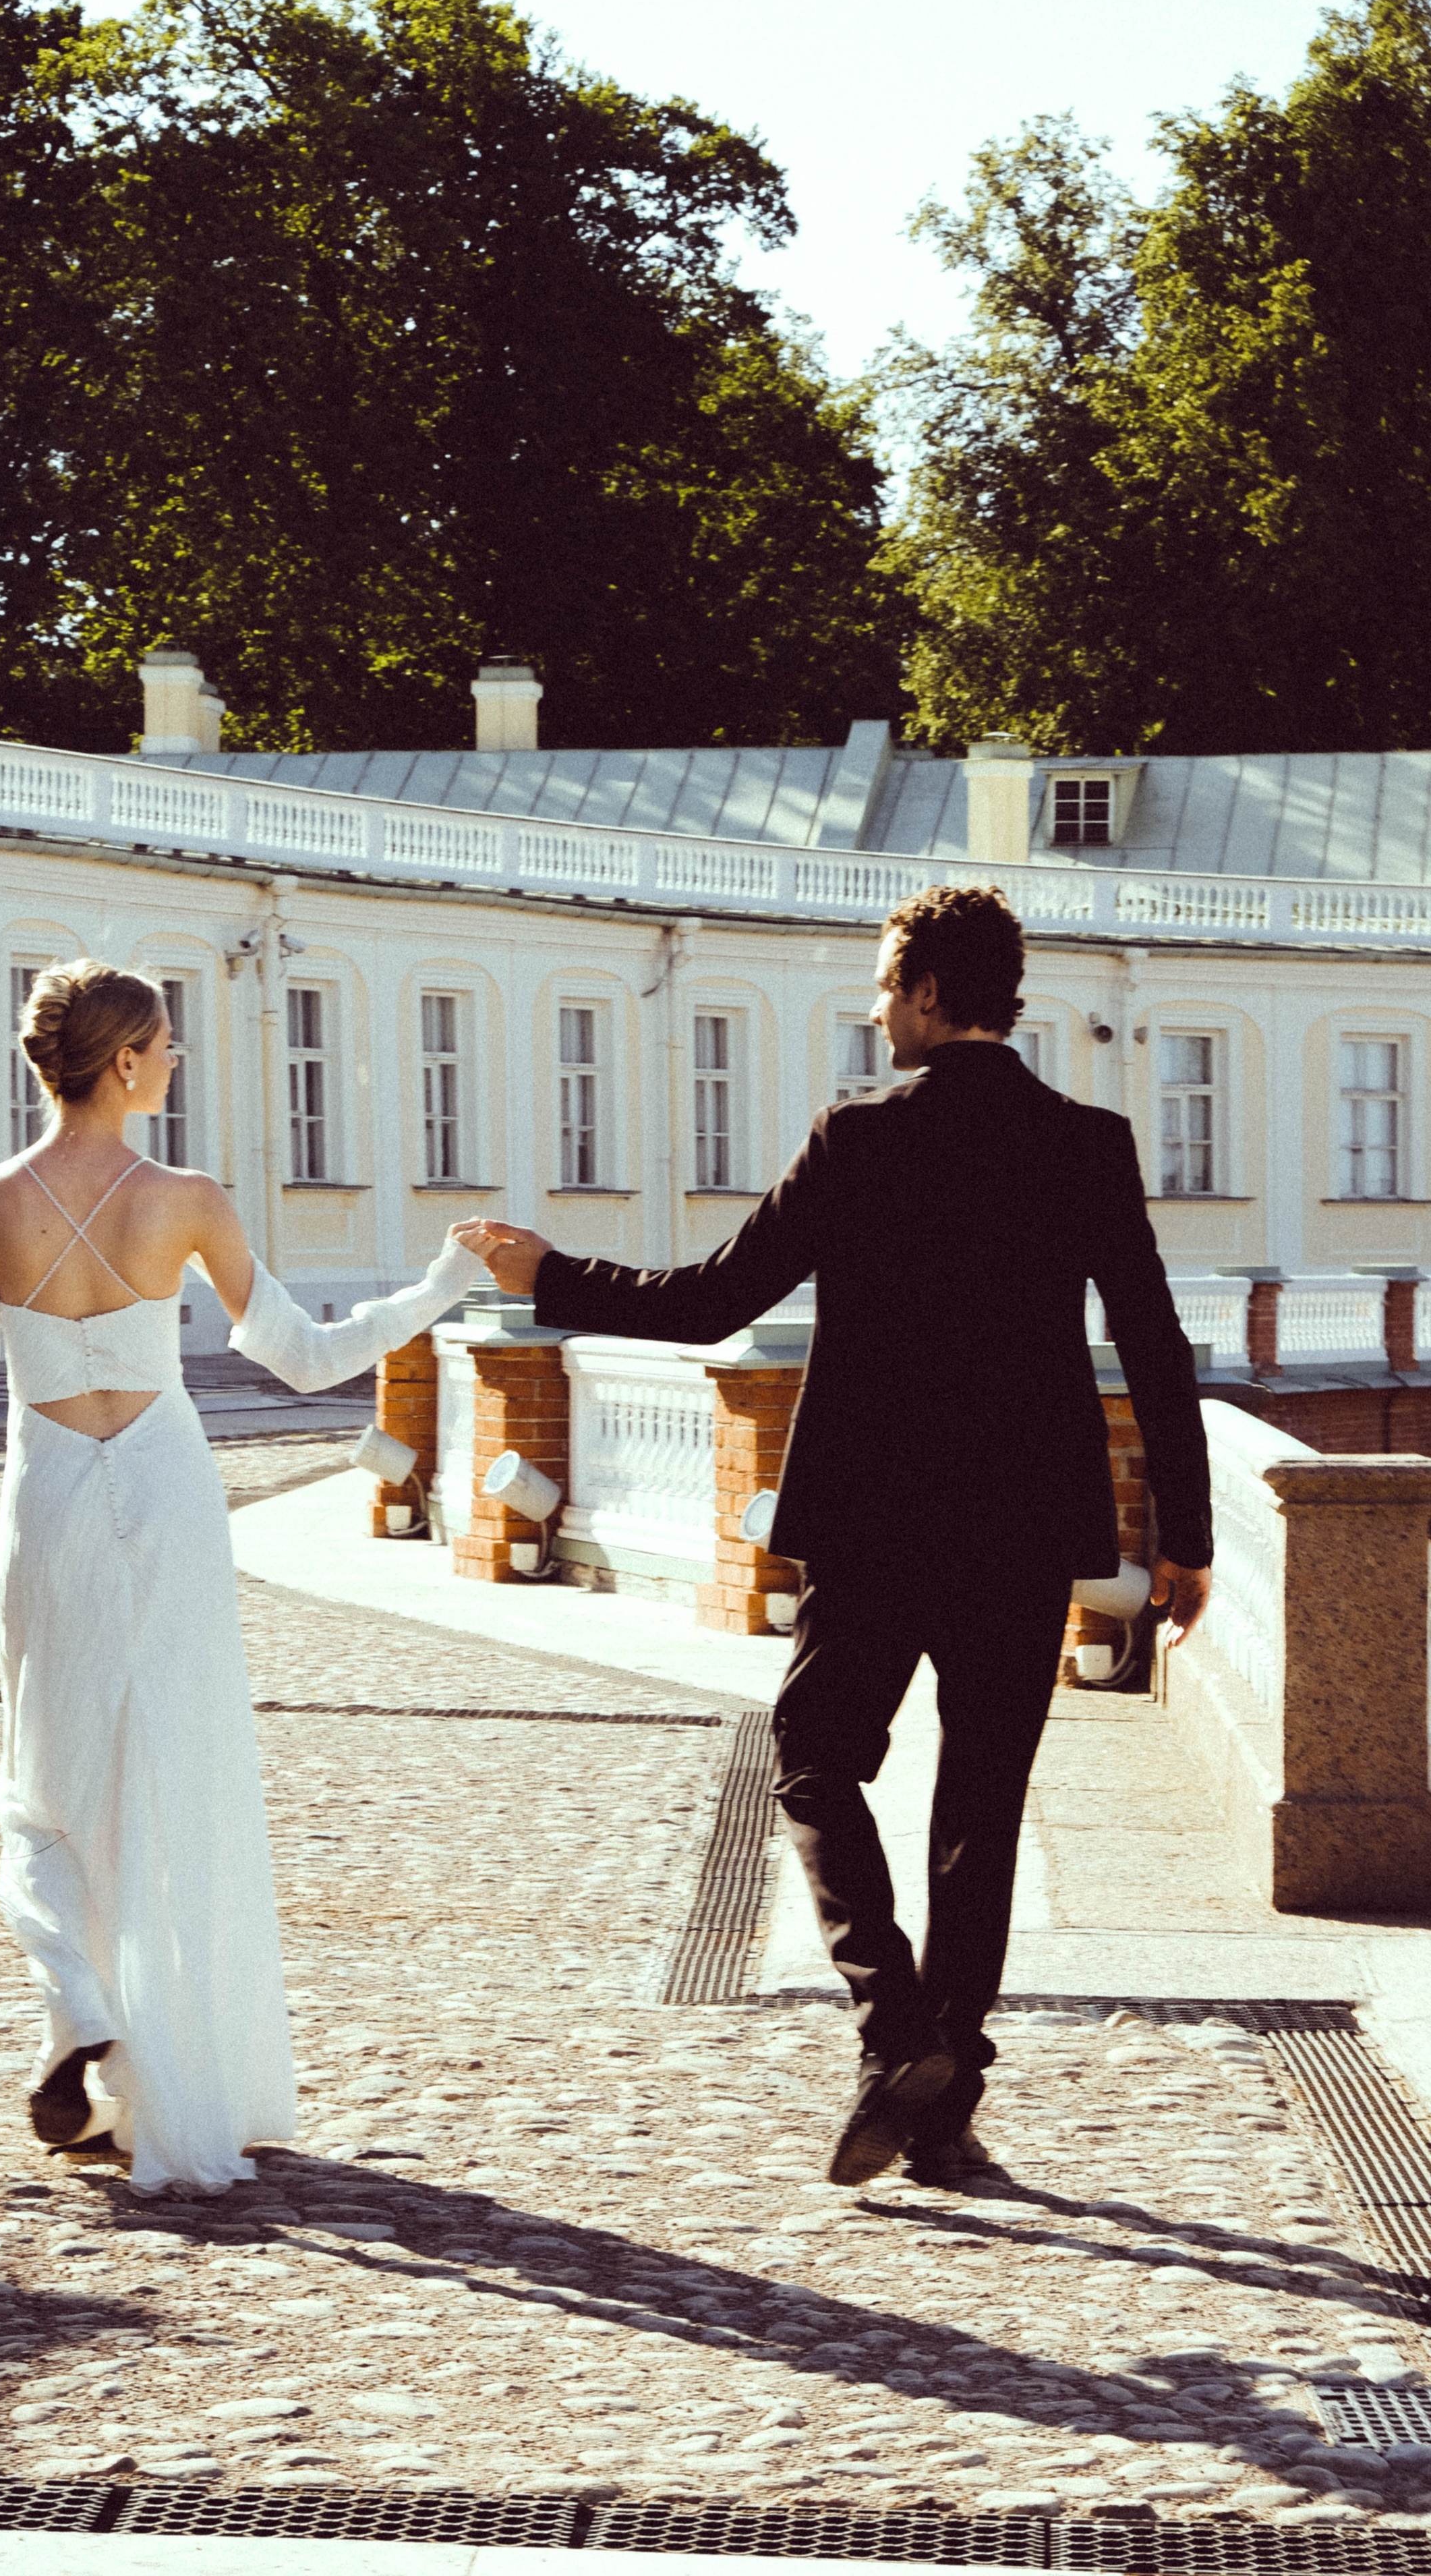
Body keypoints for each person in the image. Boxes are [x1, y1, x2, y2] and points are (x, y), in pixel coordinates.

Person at [471, 885, 1212, 2189]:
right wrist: (1187, 1539)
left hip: (876, 1522)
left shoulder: (861, 1135)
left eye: (885, 986)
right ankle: (947, 2097)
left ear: (927, 992)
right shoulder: (1087, 1142)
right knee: (982, 1808)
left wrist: (553, 1277)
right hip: (1024, 1525)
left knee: (814, 1762)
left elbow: (716, 1300)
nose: (877, 1010)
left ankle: (895, 2032)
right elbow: (1155, 1344)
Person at [0, 958, 485, 2194]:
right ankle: (157, 2067)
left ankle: (81, 2009)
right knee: (176, 1775)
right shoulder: (189, 1200)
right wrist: (444, 1285)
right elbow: (306, 1358)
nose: (175, 1059)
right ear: (123, 1063)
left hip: (48, 1499)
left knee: (44, 1784)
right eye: (164, 1043)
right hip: (166, 1496)